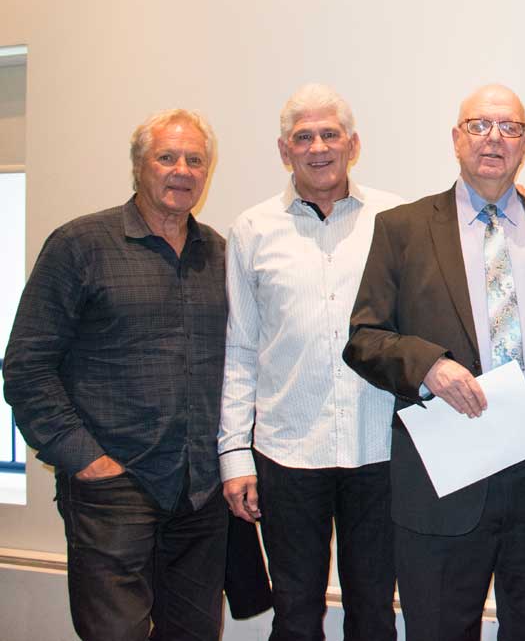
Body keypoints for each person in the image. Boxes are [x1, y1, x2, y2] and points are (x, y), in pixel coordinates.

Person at [343, 84, 525, 641]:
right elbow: (363, 337)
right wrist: (428, 366)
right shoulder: (403, 229)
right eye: (480, 125)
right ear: (457, 138)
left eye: (509, 128)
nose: (494, 138)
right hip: (445, 478)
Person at [3, 109, 228, 640]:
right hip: (114, 487)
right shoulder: (80, 245)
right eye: (167, 157)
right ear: (138, 166)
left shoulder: (217, 252)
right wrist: (85, 458)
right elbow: (26, 365)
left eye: (195, 160)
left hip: (199, 492)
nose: (182, 170)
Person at [219, 84, 402, 640]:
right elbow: (241, 349)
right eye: (304, 137)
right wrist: (234, 456)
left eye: (330, 134)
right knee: (296, 614)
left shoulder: (396, 219)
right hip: (287, 452)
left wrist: (514, 198)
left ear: (353, 144)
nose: (317, 147)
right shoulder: (251, 230)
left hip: (378, 451)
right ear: (284, 150)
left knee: (374, 612)